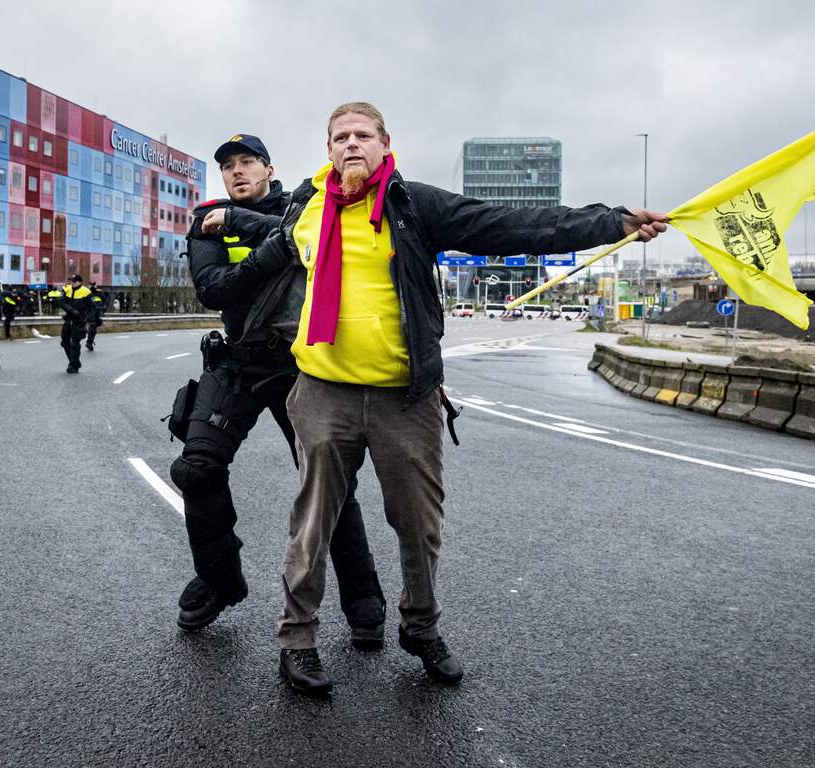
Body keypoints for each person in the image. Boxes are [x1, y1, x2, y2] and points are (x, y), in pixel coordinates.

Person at [219, 102, 668, 696]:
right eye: (340, 137)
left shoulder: (414, 205)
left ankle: (421, 627)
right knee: (312, 524)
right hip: (323, 391)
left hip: (406, 398)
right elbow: (261, 246)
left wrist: (610, 223)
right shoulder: (305, 205)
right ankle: (297, 640)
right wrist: (219, 229)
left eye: (363, 135)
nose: (351, 144)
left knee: (419, 525)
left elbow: (509, 222)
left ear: (384, 144)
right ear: (327, 148)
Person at [171, 133, 386, 644]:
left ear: (269, 168)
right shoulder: (207, 220)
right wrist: (275, 252)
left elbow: (312, 237)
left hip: (303, 365)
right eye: (227, 167)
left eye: (248, 162)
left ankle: (363, 598)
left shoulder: (305, 205)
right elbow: (213, 290)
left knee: (333, 486)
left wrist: (271, 242)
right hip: (238, 364)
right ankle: (220, 580)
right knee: (195, 470)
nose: (237, 172)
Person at [59, 275, 92, 373]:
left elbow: (92, 307)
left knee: (75, 343)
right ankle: (75, 362)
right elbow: (61, 302)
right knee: (64, 342)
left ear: (80, 282)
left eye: (74, 281)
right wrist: (72, 310)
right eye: (71, 281)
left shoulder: (86, 292)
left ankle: (73, 365)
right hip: (68, 320)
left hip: (79, 321)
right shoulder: (66, 290)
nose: (72, 283)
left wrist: (86, 319)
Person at [86, 281, 106, 351]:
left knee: (94, 328)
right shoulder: (86, 293)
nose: (92, 286)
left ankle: (89, 342)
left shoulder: (99, 293)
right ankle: (88, 342)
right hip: (89, 313)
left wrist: (103, 308)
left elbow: (104, 301)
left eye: (93, 285)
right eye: (91, 285)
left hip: (96, 313)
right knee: (91, 327)